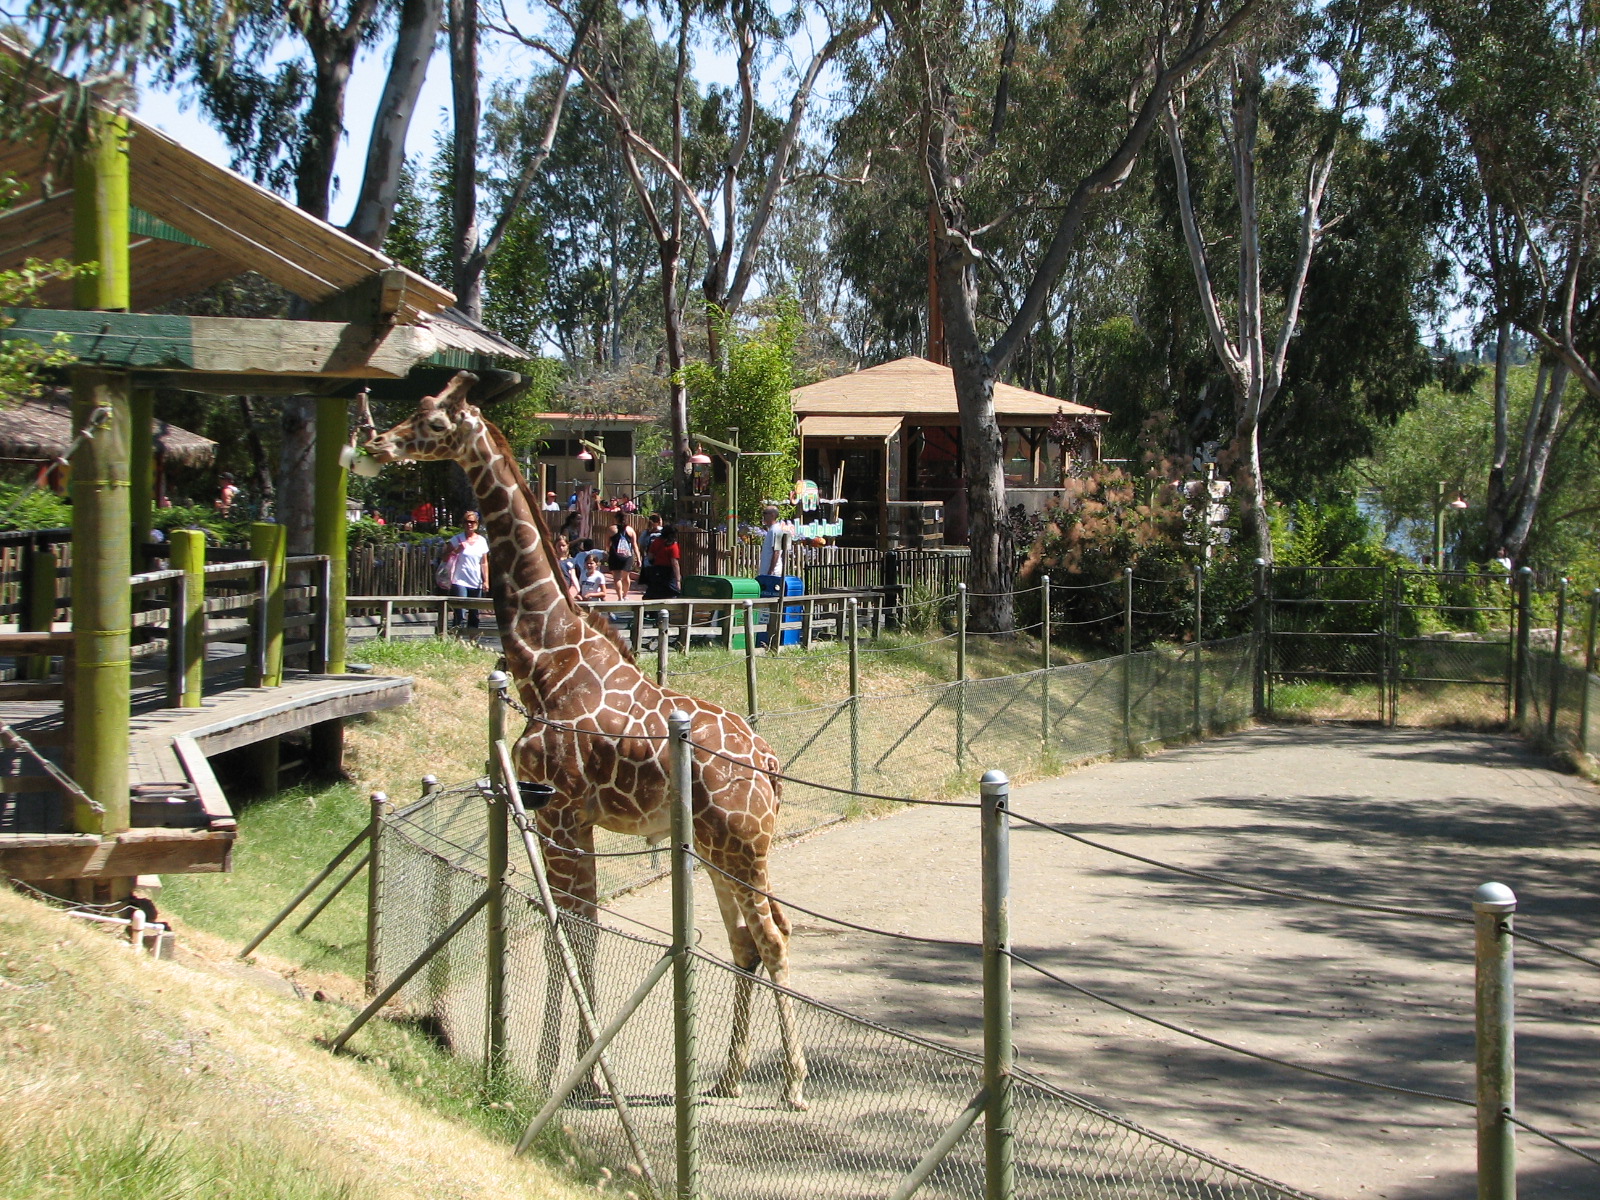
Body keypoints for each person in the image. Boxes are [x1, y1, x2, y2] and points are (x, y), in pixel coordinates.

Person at [441, 511, 491, 633]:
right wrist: (457, 550)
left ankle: (473, 640)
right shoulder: (456, 539)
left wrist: (486, 581)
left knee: (474, 612)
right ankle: (455, 638)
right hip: (460, 580)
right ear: (463, 524)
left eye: (472, 522)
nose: (470, 524)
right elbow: (444, 558)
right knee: (460, 611)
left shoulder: (481, 541)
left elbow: (484, 562)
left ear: (477, 524)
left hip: (476, 581)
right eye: (467, 522)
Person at [641, 523, 681, 600]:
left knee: (655, 592)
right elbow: (675, 563)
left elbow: (650, 556)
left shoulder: (656, 542)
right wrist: (678, 580)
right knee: (671, 593)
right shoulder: (673, 545)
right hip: (668, 572)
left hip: (657, 570)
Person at [607, 511, 639, 599]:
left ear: (616, 518)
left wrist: (608, 553)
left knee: (617, 578)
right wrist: (638, 558)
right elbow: (635, 545)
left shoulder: (611, 529)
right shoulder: (630, 530)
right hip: (627, 556)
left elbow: (608, 544)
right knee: (626, 577)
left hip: (615, 555)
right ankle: (625, 595)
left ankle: (620, 597)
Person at [758, 504, 794, 578]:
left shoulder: (776, 530)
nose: (763, 516)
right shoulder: (771, 530)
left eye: (765, 513)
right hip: (767, 572)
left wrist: (771, 571)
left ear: (772, 515)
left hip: (772, 573)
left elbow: (777, 552)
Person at [552, 535, 582, 602]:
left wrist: (578, 590)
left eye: (563, 545)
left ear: (567, 545)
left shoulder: (571, 561)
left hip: (566, 587)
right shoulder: (552, 560)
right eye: (559, 546)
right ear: (555, 546)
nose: (561, 548)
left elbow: (573, 576)